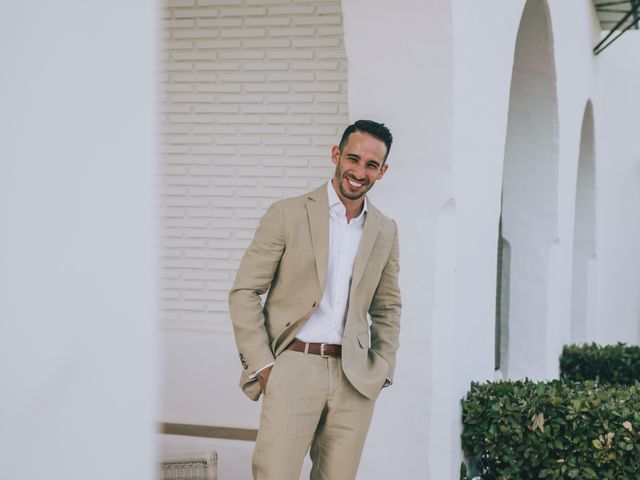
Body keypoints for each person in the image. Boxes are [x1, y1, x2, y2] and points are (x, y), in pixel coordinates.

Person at [229, 119, 401, 480]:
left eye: (371, 165)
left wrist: (382, 368)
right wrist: (263, 367)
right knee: (274, 474)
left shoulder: (385, 230)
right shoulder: (287, 214)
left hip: (354, 378)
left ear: (382, 171)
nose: (359, 172)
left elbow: (387, 307)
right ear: (336, 155)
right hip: (294, 366)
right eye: (352, 159)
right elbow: (245, 291)